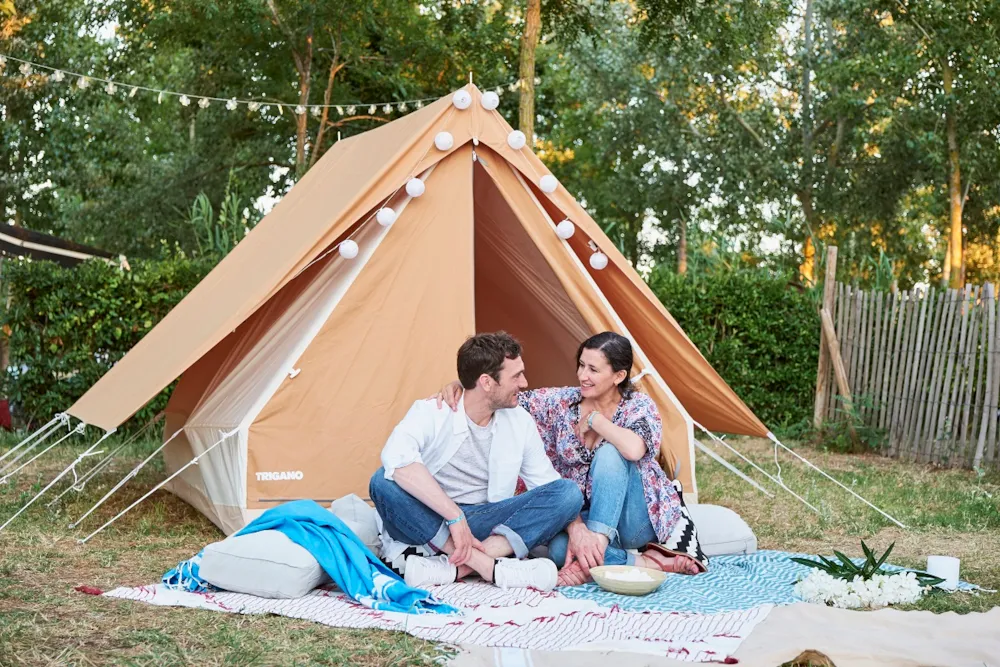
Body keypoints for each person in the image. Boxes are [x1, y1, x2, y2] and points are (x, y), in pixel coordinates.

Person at [436, 332, 706, 586]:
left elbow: (634, 449)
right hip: (587, 514)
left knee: (611, 451)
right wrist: (464, 384)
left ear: (618, 375)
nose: (582, 376)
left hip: (634, 518)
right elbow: (503, 392)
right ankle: (645, 561)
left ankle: (597, 546)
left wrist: (596, 420)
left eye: (593, 369)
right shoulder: (561, 402)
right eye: (581, 365)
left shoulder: (639, 406)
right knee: (557, 550)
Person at [369, 332, 583, 592]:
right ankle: (488, 567)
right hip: (428, 520)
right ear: (487, 382)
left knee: (568, 493)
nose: (524, 382)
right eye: (516, 376)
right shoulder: (432, 411)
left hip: (484, 523)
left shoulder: (520, 421)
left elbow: (547, 483)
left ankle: (458, 565)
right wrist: (454, 517)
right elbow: (397, 459)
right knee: (382, 481)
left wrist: (578, 528)